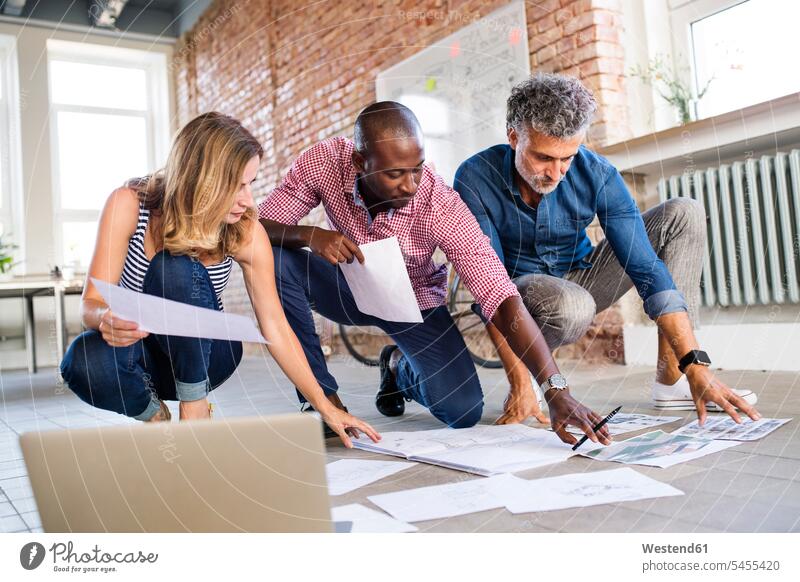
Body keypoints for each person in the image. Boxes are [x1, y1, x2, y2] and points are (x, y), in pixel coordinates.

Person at [259, 101, 612, 447]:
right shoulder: (326, 162)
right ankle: (321, 398)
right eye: (395, 173)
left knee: (463, 410)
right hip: (344, 286)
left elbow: (499, 295)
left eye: (417, 168)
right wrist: (308, 235)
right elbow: (254, 228)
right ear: (359, 162)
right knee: (273, 259)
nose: (410, 184)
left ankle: (397, 367)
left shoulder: (439, 203)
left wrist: (556, 389)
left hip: (413, 303)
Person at [454, 73, 761, 427]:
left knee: (682, 213)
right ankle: (532, 369)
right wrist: (519, 380)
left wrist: (695, 362)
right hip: (518, 295)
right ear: (513, 137)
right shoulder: (475, 177)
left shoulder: (597, 172)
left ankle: (673, 378)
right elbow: (489, 284)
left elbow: (646, 268)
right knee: (571, 305)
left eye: (567, 158)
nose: (556, 173)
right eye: (543, 158)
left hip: (582, 276)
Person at [59, 112, 379, 448]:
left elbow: (276, 327)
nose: (248, 201)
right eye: (236, 186)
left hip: (208, 354)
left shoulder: (245, 231)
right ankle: (155, 416)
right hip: (143, 357)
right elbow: (90, 304)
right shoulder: (128, 204)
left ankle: (195, 407)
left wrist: (325, 406)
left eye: (250, 185)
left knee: (174, 268)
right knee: (82, 360)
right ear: (200, 178)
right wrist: (105, 318)